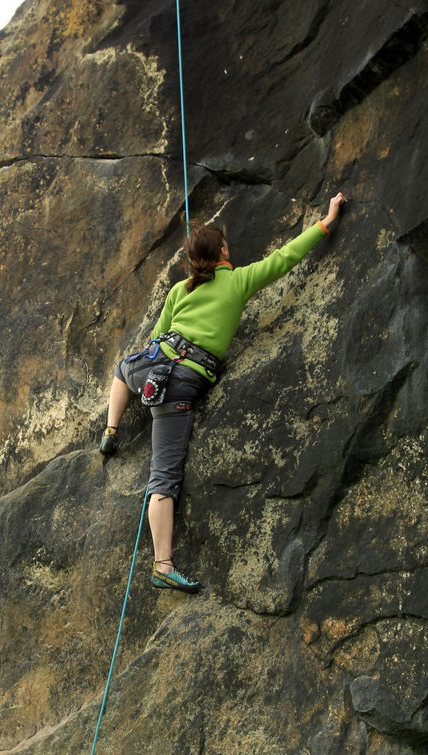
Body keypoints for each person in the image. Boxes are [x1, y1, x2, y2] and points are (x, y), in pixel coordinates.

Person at [100, 192, 347, 592]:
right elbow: (283, 259)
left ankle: (111, 430)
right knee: (162, 477)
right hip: (180, 384)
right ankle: (162, 565)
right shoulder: (236, 281)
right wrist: (327, 221)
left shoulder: (180, 291)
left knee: (121, 368)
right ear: (224, 253)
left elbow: (157, 335)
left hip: (151, 365)